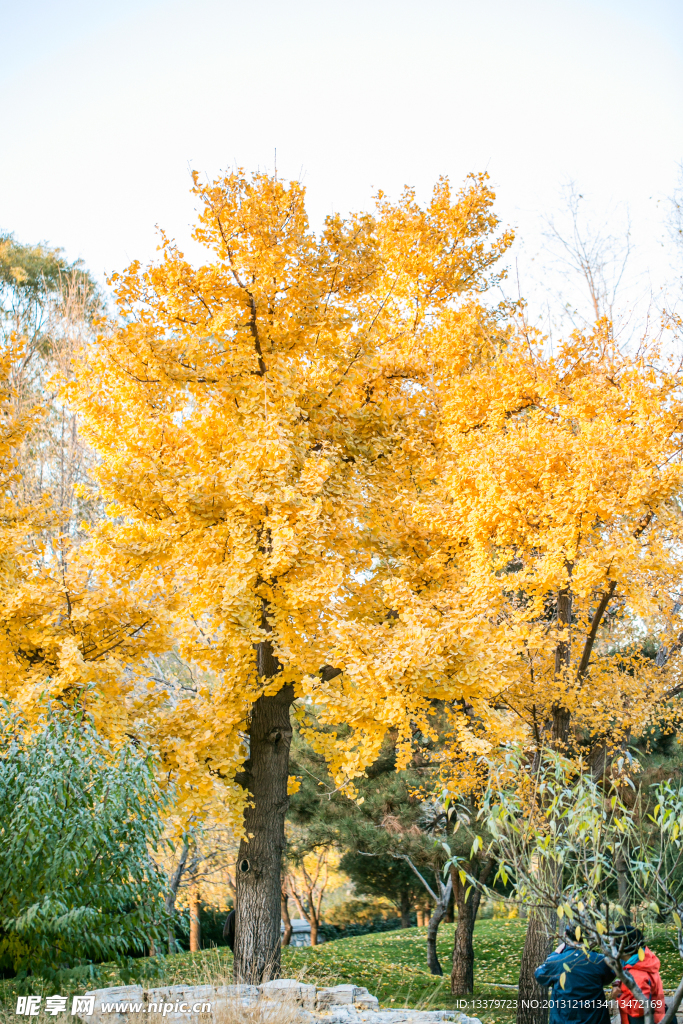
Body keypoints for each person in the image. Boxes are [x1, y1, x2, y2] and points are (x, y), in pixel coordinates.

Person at [535, 925, 615, 1024]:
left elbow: (539, 975)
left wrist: (556, 953)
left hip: (563, 1020)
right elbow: (609, 978)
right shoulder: (599, 960)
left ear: (565, 935)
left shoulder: (556, 961)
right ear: (589, 936)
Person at [610, 926, 665, 1024]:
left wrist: (618, 995)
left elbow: (639, 1008)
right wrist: (623, 986)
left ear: (622, 947)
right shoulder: (643, 962)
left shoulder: (637, 973)